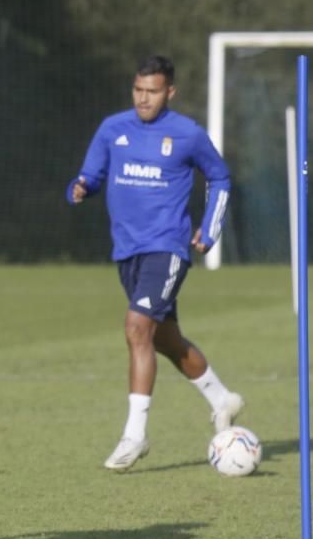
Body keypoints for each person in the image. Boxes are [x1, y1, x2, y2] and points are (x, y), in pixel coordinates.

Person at [65, 55, 243, 472]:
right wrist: (79, 187)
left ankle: (135, 436)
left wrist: (210, 228)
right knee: (164, 339)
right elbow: (89, 176)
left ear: (170, 92)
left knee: (136, 328)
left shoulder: (187, 134)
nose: (143, 99)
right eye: (138, 90)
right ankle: (223, 399)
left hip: (168, 248)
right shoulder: (113, 128)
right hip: (127, 251)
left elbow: (220, 177)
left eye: (153, 91)